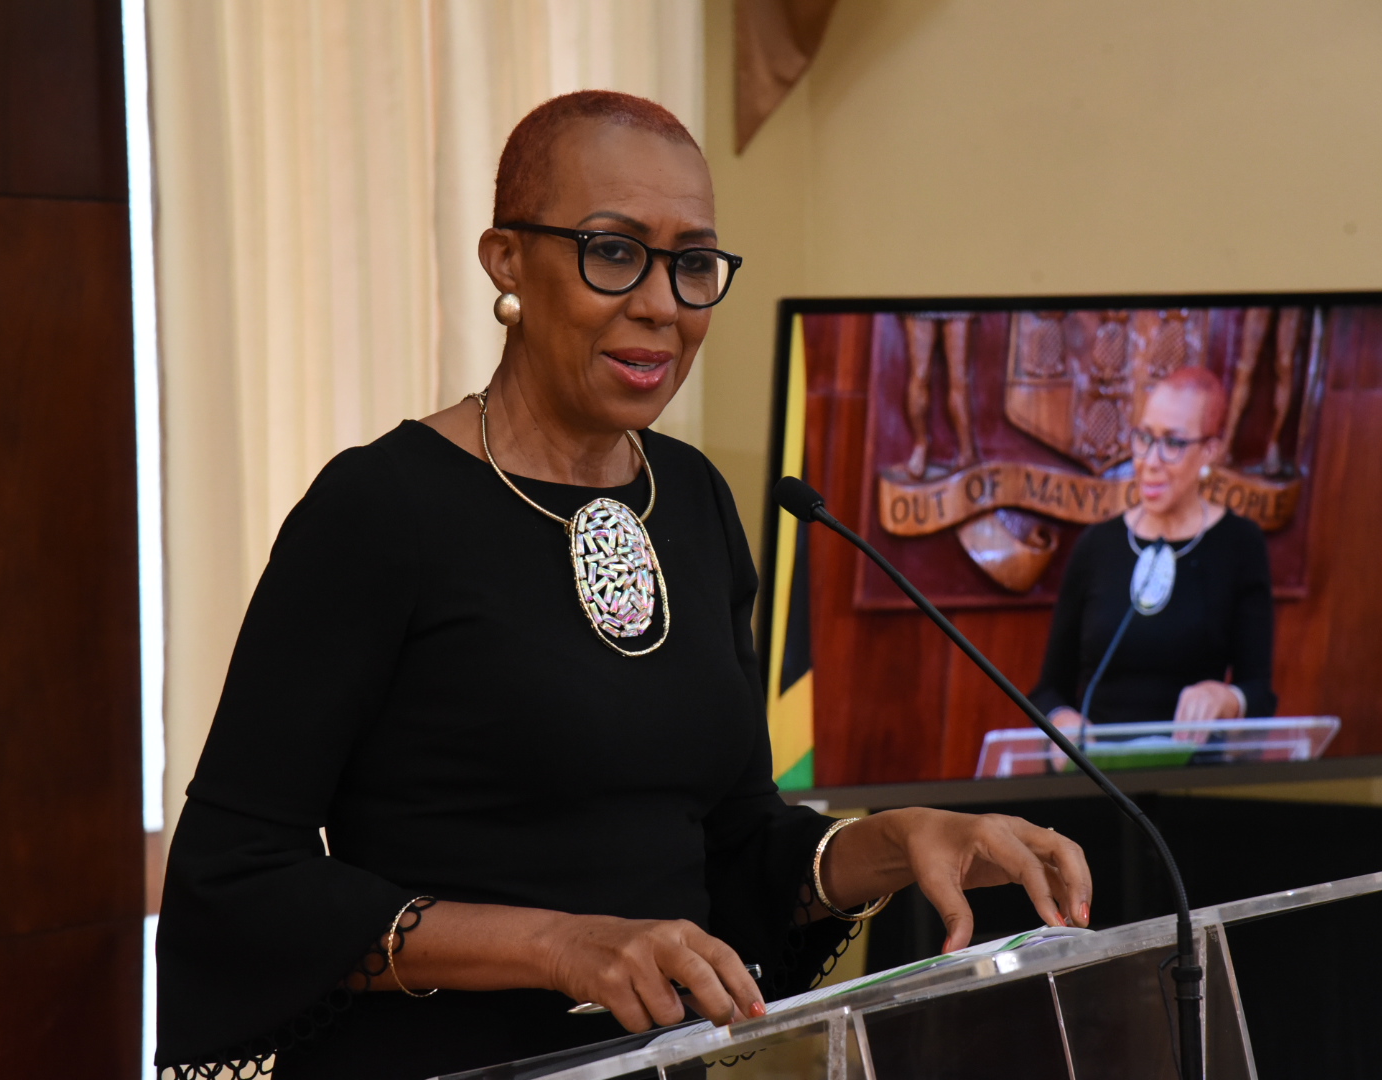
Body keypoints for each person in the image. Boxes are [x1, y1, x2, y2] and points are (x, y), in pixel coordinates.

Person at [156, 91, 1093, 1080]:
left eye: (693, 264)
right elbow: (238, 882)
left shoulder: (690, 499)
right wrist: (557, 944)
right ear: (506, 261)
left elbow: (731, 851)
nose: (661, 303)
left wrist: (896, 843)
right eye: (614, 251)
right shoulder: (380, 510)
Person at [1030, 366, 1277, 736]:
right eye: (1144, 437)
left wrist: (1226, 699)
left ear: (1211, 450)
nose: (1150, 460)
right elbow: (1048, 692)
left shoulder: (1240, 545)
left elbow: (1259, 694)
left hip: (1189, 774)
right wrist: (1061, 722)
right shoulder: (1097, 545)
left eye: (1173, 444)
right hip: (1094, 772)